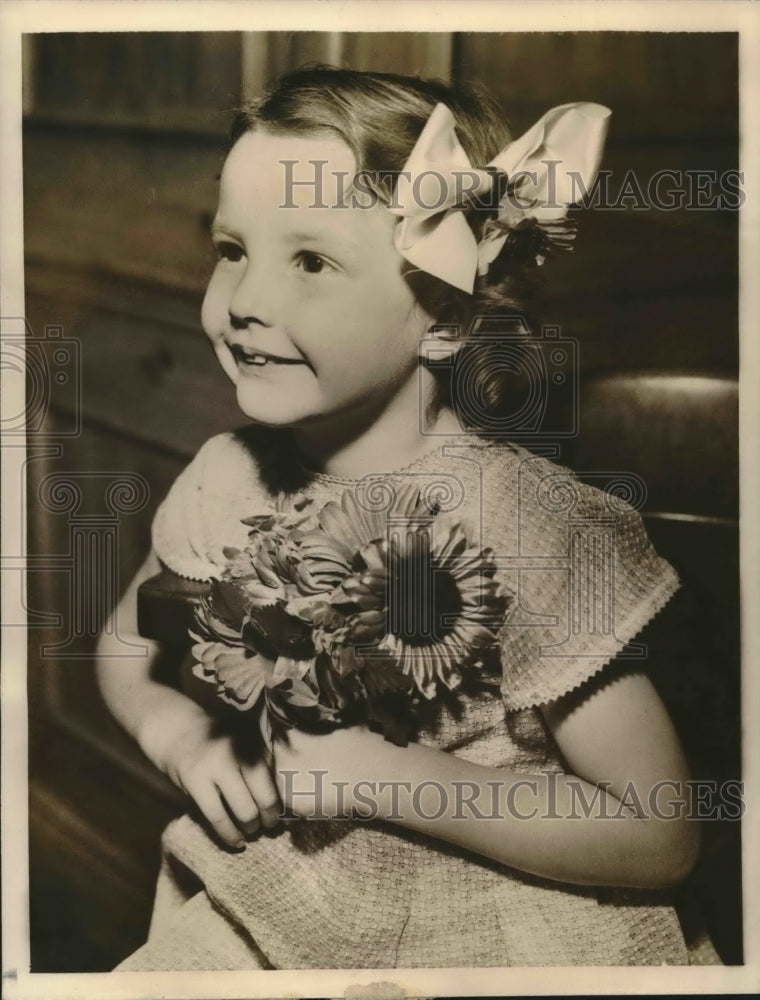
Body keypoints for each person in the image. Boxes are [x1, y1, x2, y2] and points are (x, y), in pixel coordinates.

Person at [97, 66, 720, 969]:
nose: (244, 301)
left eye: (310, 261)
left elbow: (660, 833)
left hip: (506, 930)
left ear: (447, 318)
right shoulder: (226, 477)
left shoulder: (533, 529)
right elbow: (125, 645)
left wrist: (394, 778)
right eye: (233, 249)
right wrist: (179, 737)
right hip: (275, 904)